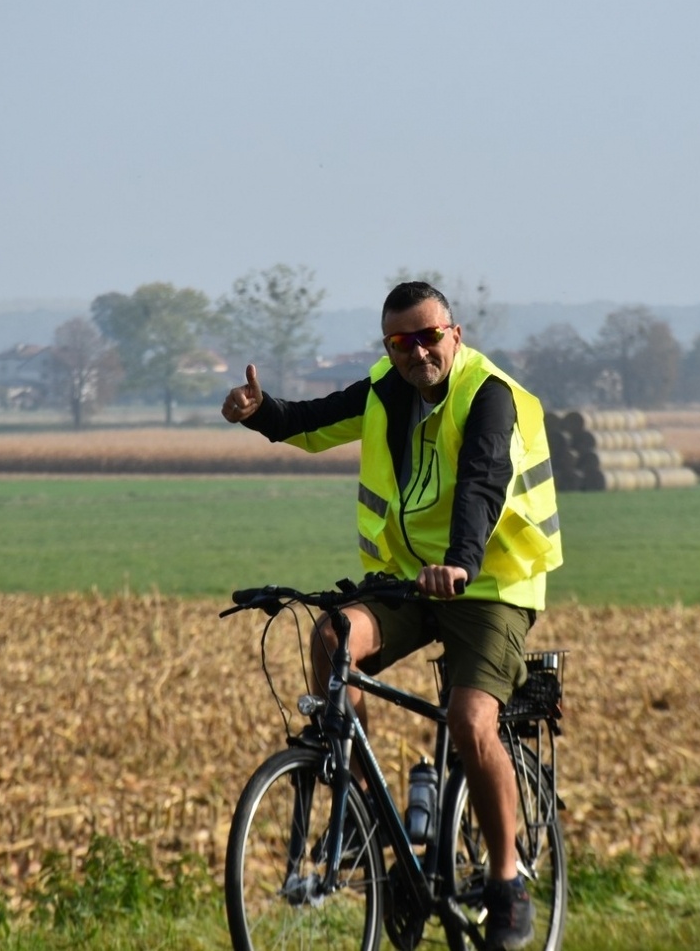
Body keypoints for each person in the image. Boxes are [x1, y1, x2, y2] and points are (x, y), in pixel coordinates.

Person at [221, 280, 562, 951]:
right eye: (400, 342)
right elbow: (312, 420)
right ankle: (355, 809)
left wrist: (462, 560)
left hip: (491, 582)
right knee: (332, 636)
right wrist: (261, 412)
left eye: (428, 337)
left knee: (469, 719)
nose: (415, 353)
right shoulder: (387, 389)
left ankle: (506, 878)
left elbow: (484, 481)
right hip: (411, 582)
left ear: (454, 335)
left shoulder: (489, 395)